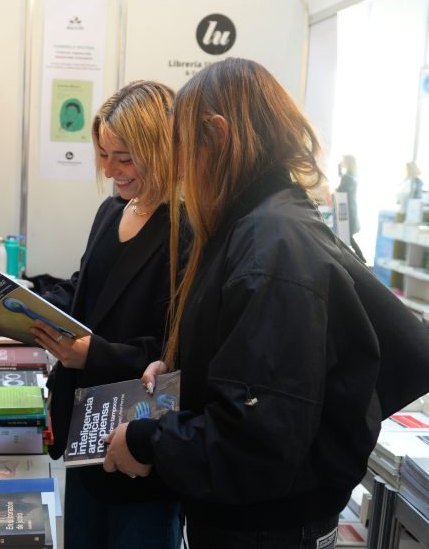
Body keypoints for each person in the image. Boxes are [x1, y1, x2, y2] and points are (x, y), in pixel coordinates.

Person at [102, 58, 429, 548]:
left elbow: (258, 435)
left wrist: (149, 441)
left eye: (185, 150)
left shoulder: (273, 244)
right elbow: (259, 366)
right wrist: (180, 370)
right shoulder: (262, 222)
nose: (181, 170)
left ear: (218, 135)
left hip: (264, 526)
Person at [30, 80, 181, 549]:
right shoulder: (111, 210)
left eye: (125, 157)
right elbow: (86, 293)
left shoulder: (185, 228)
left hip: (138, 440)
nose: (112, 169)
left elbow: (177, 350)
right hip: (86, 432)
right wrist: (24, 300)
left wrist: (94, 355)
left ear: (159, 149)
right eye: (103, 154)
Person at [336, 154, 364, 261]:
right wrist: (339, 169)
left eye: (343, 161)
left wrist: (334, 191)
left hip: (346, 209)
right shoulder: (352, 175)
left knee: (346, 236)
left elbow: (341, 190)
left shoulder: (348, 177)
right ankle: (359, 258)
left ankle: (360, 258)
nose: (342, 162)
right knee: (347, 236)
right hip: (351, 208)